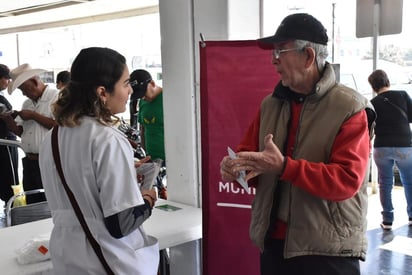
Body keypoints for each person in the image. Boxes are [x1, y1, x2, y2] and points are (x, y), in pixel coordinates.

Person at [219, 13, 376, 275]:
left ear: (309, 57)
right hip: (273, 245)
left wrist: (284, 167)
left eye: (281, 50)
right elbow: (251, 159)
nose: (273, 60)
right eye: (274, 52)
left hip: (326, 250)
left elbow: (347, 180)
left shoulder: (349, 108)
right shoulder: (270, 104)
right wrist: (237, 169)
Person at [39, 47, 159, 274]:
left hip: (68, 257)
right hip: (107, 259)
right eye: (125, 83)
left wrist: (124, 170)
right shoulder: (107, 139)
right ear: (102, 92)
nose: (131, 90)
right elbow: (121, 223)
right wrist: (148, 199)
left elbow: (77, 183)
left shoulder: (53, 137)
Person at [2, 63, 58, 203]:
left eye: (24, 89)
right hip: (29, 162)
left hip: (49, 161)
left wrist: (34, 116)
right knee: (32, 202)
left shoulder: (56, 98)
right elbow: (21, 132)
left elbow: (61, 126)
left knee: (50, 202)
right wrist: (7, 118)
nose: (23, 93)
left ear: (34, 82)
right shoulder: (27, 103)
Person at [368, 69, 412, 230]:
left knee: (385, 183)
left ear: (373, 86)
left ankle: (387, 220)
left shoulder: (372, 103)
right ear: (387, 81)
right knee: (409, 182)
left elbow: (369, 126)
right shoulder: (402, 95)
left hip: (381, 147)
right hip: (404, 146)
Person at [130, 69, 167, 199]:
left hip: (171, 161)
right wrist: (146, 153)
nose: (143, 97)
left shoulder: (168, 98)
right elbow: (143, 129)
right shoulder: (143, 102)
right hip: (153, 161)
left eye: (143, 92)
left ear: (152, 83)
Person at [0, 64, 19, 204]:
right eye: (7, 79)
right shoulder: (1, 100)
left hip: (6, 139)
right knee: (9, 176)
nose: (8, 83)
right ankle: (12, 204)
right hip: (5, 141)